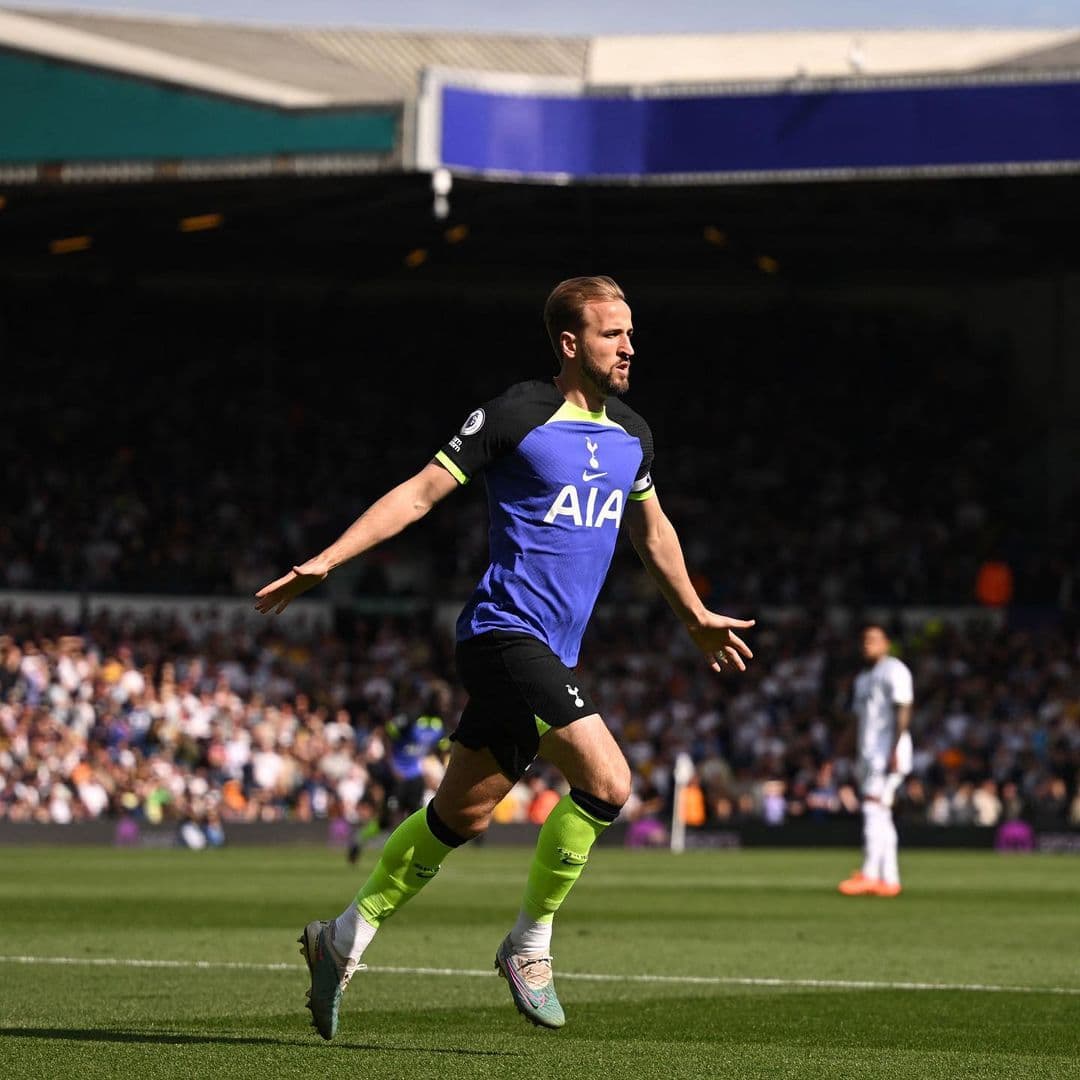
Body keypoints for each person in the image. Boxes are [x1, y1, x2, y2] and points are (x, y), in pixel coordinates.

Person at [255, 275, 755, 1039]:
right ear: (570, 343)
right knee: (609, 781)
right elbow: (422, 492)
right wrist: (330, 558)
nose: (629, 346)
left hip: (549, 650)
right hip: (501, 634)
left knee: (462, 813)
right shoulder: (515, 414)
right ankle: (529, 945)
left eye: (630, 332)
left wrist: (691, 614)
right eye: (612, 334)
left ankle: (342, 935)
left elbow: (652, 532)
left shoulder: (632, 435)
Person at [838, 624, 913, 898]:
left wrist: (894, 748)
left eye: (874, 639)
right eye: (864, 639)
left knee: (872, 809)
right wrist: (840, 751)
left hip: (886, 752)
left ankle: (870, 874)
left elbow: (903, 707)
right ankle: (889, 879)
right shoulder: (863, 679)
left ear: (887, 644)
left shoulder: (895, 670)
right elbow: (857, 720)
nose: (867, 644)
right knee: (881, 813)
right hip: (869, 753)